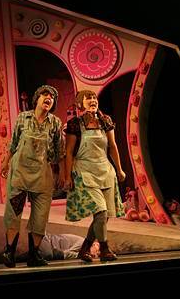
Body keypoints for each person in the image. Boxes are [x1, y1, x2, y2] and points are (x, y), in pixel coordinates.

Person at [0, 84, 64, 268]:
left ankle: (33, 255)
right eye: (45, 94)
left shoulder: (55, 123)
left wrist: (63, 174)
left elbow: (59, 151)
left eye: (52, 96)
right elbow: (13, 144)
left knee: (40, 215)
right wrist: (5, 163)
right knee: (14, 212)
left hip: (43, 174)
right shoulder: (23, 118)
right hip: (20, 173)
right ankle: (9, 252)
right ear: (37, 98)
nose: (49, 98)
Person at [64, 90, 126, 262]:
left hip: (105, 170)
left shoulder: (105, 121)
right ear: (80, 103)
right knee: (100, 211)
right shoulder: (75, 124)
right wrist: (67, 177)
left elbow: (112, 146)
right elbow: (68, 152)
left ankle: (84, 248)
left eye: (94, 98)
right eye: (88, 98)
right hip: (85, 170)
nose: (92, 100)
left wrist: (119, 170)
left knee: (103, 217)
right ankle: (104, 248)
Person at [16, 233, 100, 262]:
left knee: (43, 255)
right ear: (95, 244)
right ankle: (16, 258)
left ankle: (16, 257)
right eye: (97, 251)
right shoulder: (82, 242)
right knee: (48, 255)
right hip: (47, 240)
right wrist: (81, 255)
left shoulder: (85, 248)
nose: (96, 255)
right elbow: (66, 253)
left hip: (53, 248)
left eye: (98, 255)